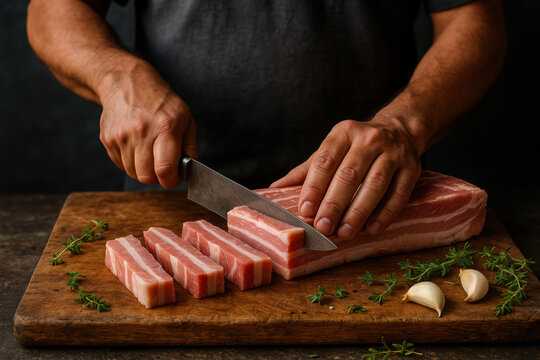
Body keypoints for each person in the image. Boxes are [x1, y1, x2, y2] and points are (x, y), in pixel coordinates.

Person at [27, 0, 506, 241]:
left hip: (370, 203)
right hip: (175, 200)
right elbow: (51, 9)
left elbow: (474, 19)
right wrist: (117, 76)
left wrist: (405, 125)